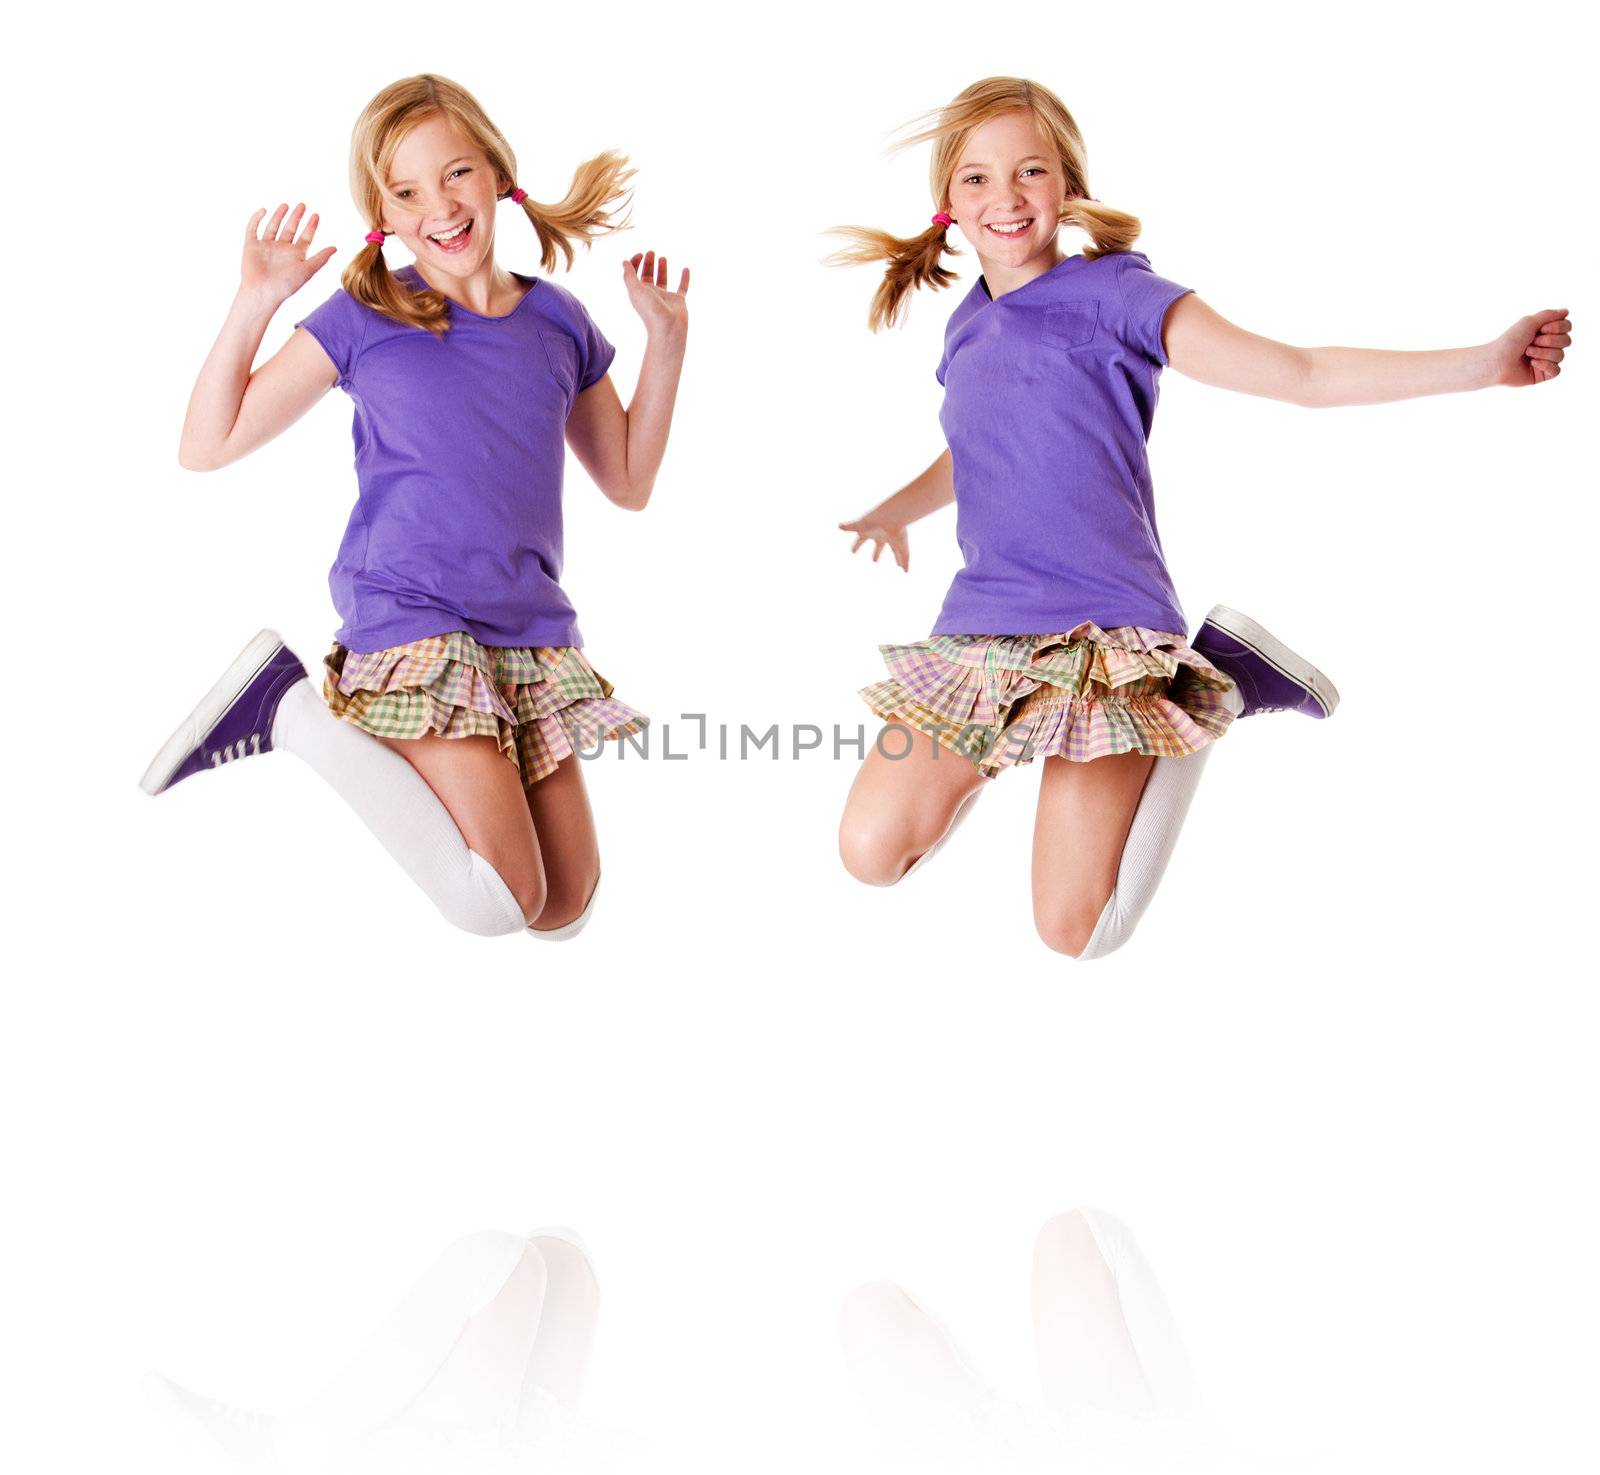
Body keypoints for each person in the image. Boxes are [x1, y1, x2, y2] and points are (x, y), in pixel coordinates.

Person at [830, 76, 1570, 959]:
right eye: (978, 178)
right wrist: (895, 508)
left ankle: (1211, 687)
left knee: (1075, 931)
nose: (1007, 197)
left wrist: (1483, 364)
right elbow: (983, 446)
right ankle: (1044, 731)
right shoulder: (967, 327)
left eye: (1031, 170)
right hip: (982, 631)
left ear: (1067, 185)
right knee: (870, 853)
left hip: (1105, 633)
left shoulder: (1117, 294)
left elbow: (1299, 372)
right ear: (948, 202)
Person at [140, 73, 690, 940]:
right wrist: (256, 302)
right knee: (496, 902)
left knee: (564, 905)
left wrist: (667, 343)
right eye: (406, 192)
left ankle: (304, 715)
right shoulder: (368, 314)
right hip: (414, 615)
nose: (439, 205)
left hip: (528, 632)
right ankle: (287, 710)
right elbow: (207, 445)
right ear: (383, 215)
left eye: (456, 173)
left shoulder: (558, 321)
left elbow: (627, 481)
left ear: (498, 173)